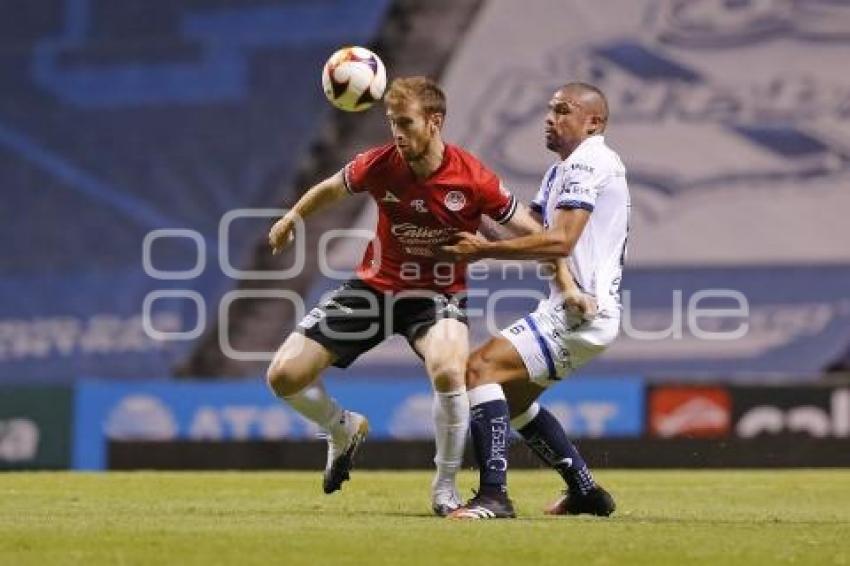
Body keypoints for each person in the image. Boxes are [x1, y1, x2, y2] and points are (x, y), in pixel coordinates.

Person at [265, 76, 541, 516]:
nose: (397, 132)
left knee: (451, 371)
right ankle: (342, 429)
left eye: (406, 122)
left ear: (435, 122)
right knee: (283, 376)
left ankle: (445, 488)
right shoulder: (381, 164)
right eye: (392, 122)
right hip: (373, 287)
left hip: (436, 293)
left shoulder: (474, 178)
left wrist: (563, 271)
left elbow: (535, 233)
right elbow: (331, 188)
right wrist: (292, 216)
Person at [439, 82, 629, 519]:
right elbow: (534, 233)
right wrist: (476, 217)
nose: (550, 118)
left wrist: (482, 251)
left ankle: (494, 498)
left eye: (563, 111)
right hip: (571, 309)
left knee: (479, 368)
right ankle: (584, 490)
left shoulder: (590, 162)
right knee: (515, 401)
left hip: (581, 311)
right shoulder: (561, 170)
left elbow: (558, 242)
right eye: (549, 110)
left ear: (593, 122)